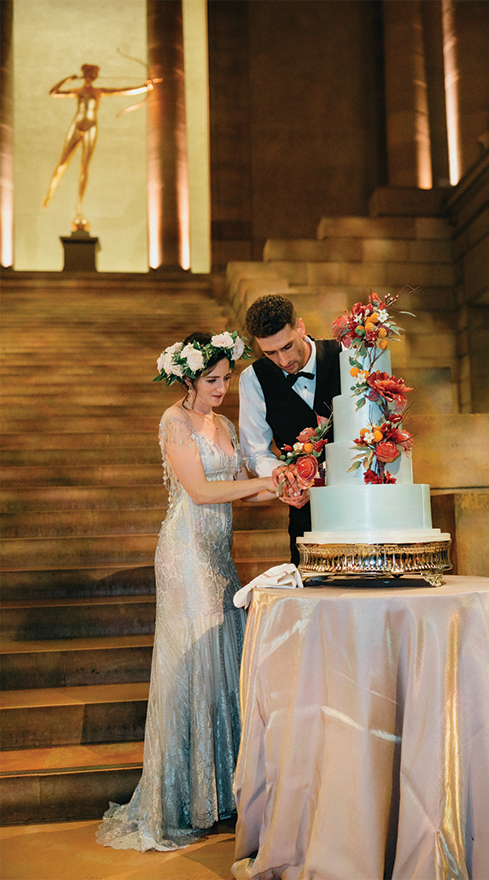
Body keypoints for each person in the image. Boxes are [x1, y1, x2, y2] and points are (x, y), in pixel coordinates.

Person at [97, 332, 287, 851]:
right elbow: (202, 492)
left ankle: (222, 794)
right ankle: (182, 800)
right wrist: (261, 485)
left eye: (226, 378)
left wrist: (282, 484)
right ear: (187, 379)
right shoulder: (174, 420)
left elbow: (240, 489)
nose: (223, 388)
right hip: (185, 554)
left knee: (224, 661)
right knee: (195, 664)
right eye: (212, 380)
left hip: (219, 556)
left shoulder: (223, 424)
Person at [239, 294, 341, 564]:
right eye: (270, 353)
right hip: (305, 512)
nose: (283, 361)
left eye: (287, 346)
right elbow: (255, 452)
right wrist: (285, 478)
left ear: (300, 327)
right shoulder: (252, 379)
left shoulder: (345, 357)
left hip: (360, 500)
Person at [42, 63, 158, 226]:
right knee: (62, 163)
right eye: (88, 73)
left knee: (84, 167)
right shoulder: (79, 91)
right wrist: (67, 79)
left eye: (92, 73)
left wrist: (144, 88)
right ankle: (49, 194)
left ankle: (79, 206)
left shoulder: (98, 91)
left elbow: (122, 91)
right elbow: (54, 92)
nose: (90, 76)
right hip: (77, 125)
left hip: (91, 126)